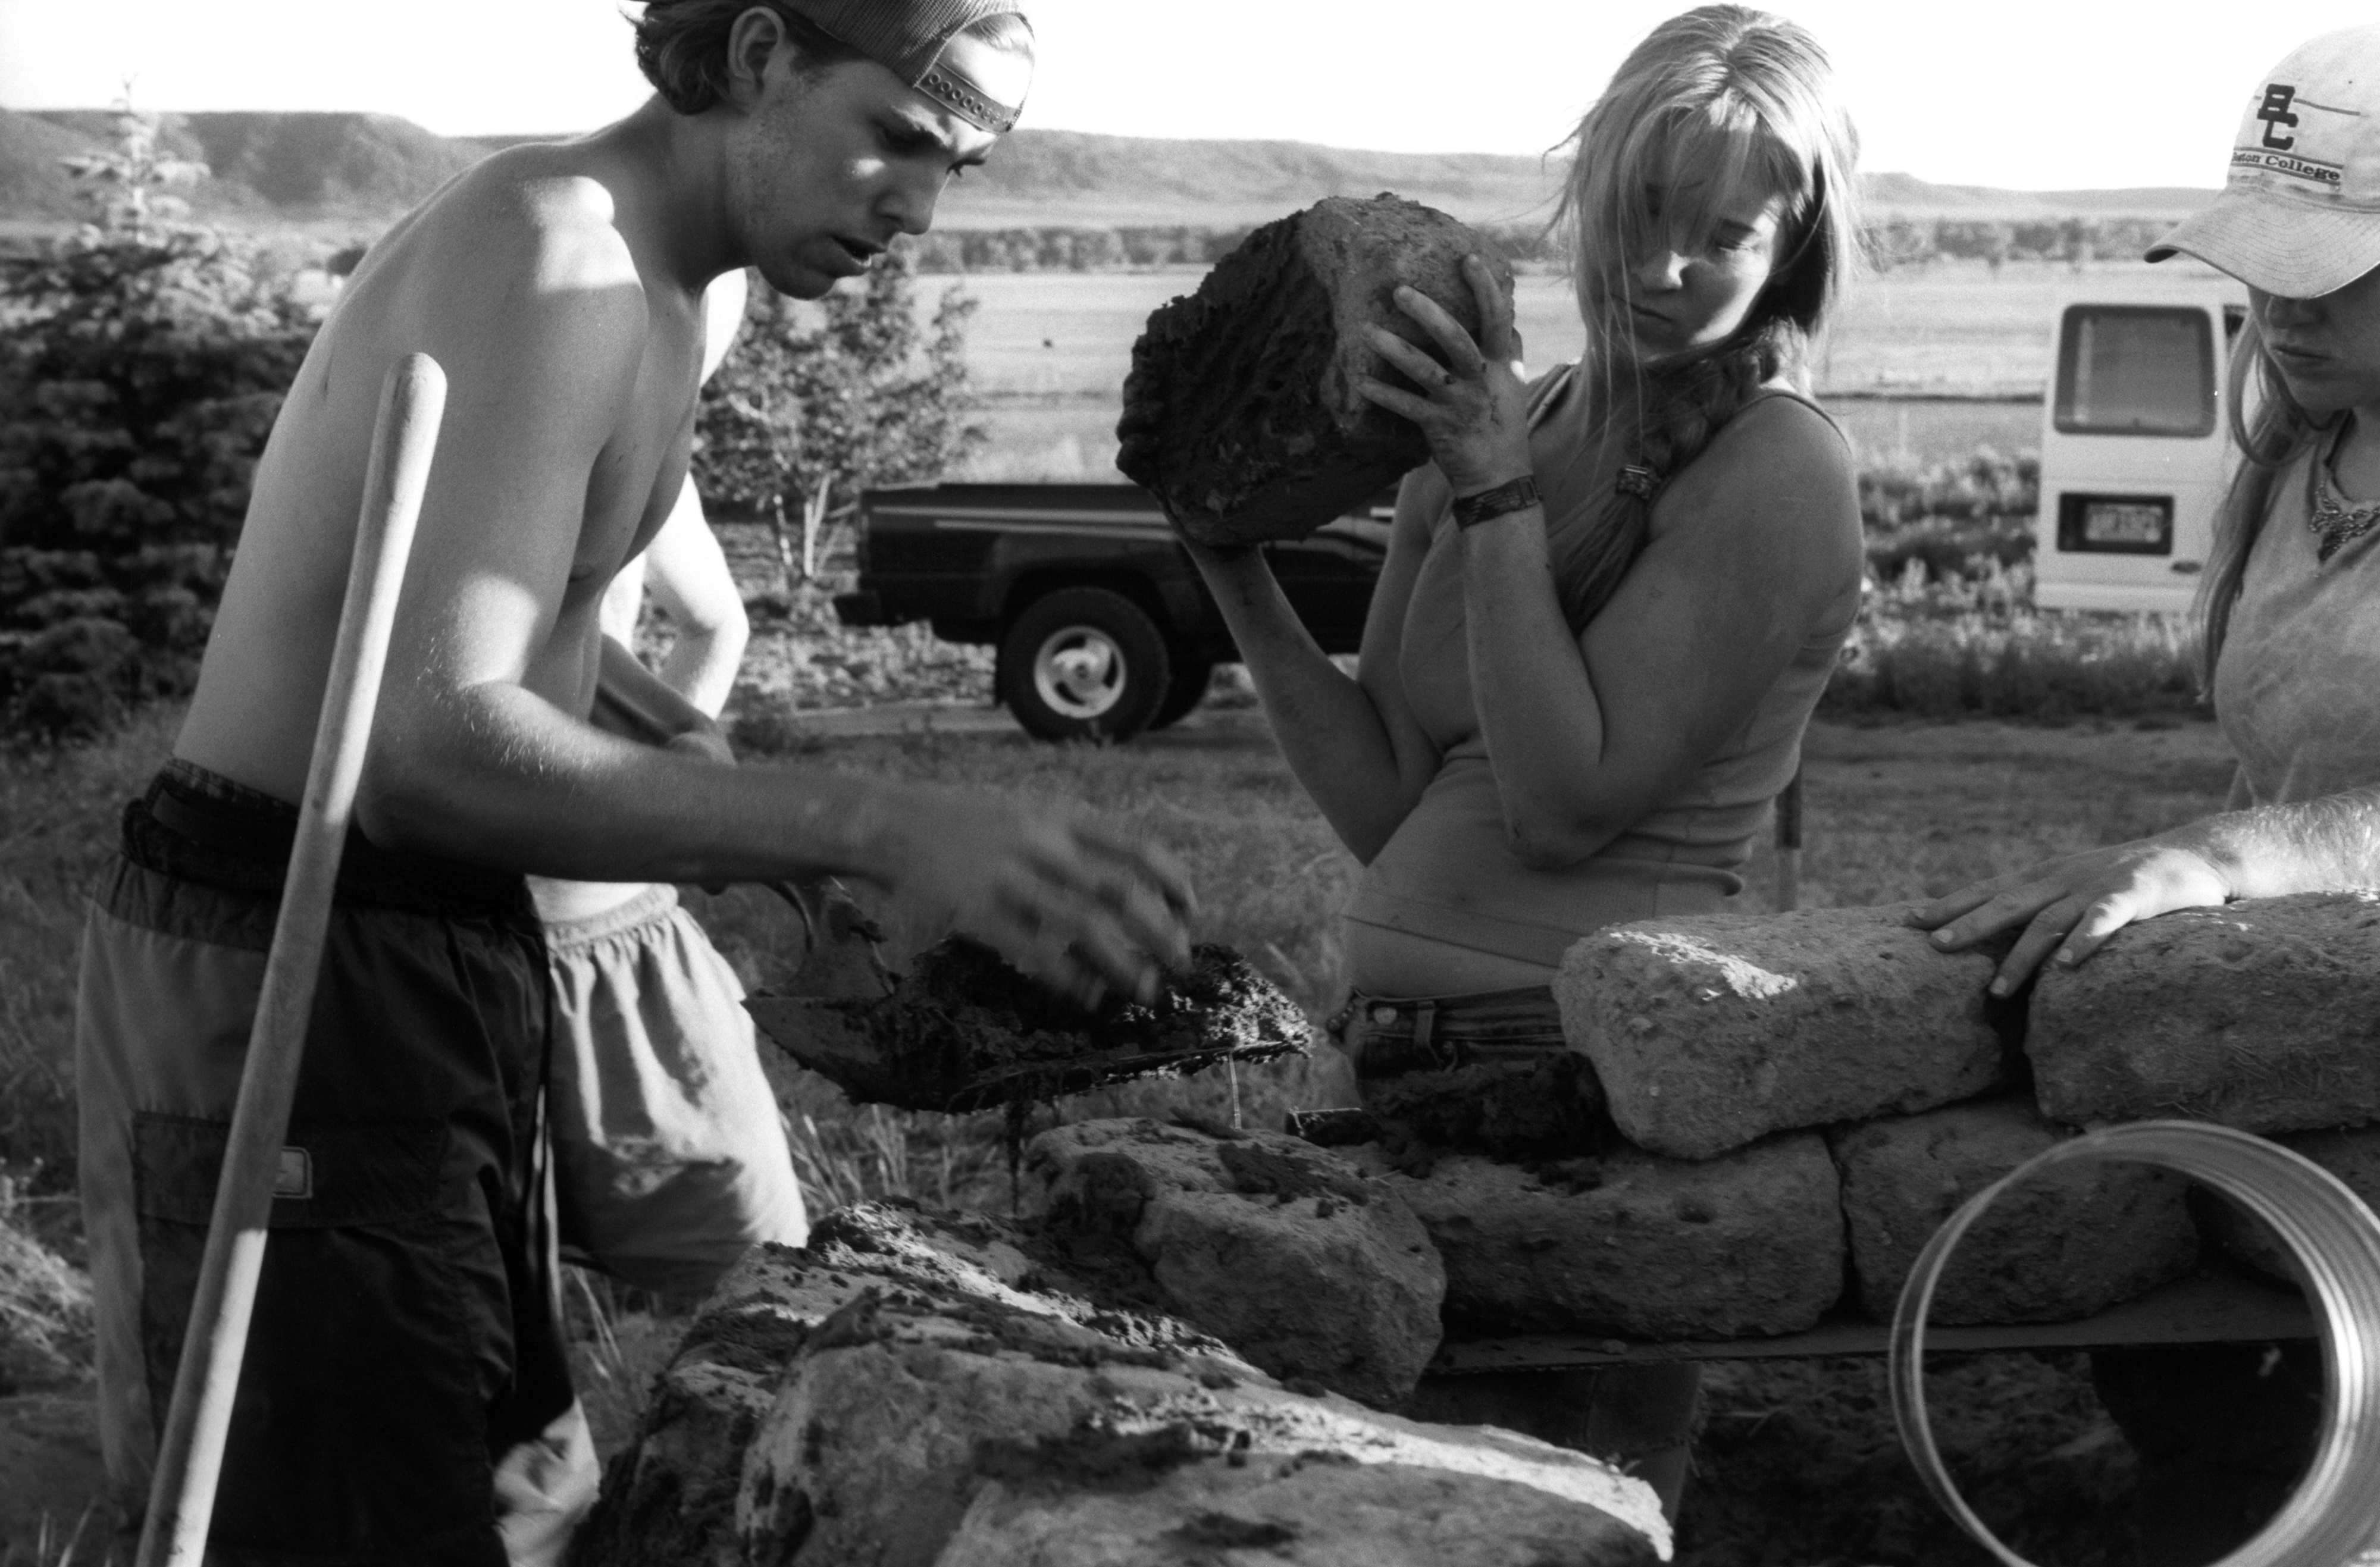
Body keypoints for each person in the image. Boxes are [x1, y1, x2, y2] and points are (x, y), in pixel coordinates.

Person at [74, 4, 1193, 1563]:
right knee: (359, 1526)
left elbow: (530, 627)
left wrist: (694, 764)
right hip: (287, 948)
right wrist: (879, 824)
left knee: (510, 1503)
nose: (919, 208)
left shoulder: (685, 291)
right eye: (896, 137)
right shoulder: (558, 259)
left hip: (434, 945)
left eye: (958, 166)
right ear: (759, 54)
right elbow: (427, 755)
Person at [1124, 3, 1864, 1522]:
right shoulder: (1506, 425)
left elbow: (1562, 802)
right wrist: (1225, 562)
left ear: (1789, 250)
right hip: (1400, 1075)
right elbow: (1392, 806)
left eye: (1722, 237)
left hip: (1578, 1094)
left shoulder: (1775, 466)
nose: (1664, 268)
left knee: (1551, 1516)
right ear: (1585, 190)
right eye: (1641, 214)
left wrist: (1492, 489)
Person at [1915, 23, 2380, 1566]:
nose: (2279, 308)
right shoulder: (2301, 460)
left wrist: (2228, 856)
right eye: (2264, 267)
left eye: (2331, 272)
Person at [529, 265, 813, 1303]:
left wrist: (668, 765)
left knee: (760, 1277)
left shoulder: (646, 456)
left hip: (606, 932)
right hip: (489, 939)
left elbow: (716, 624)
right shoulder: (521, 431)